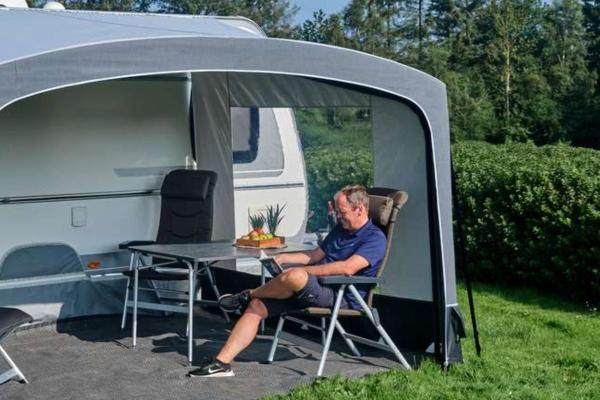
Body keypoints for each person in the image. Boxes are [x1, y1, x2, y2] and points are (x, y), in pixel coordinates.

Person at [188, 185, 386, 377]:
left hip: (339, 294)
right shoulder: (340, 229)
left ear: (359, 209)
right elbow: (314, 255)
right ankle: (222, 363)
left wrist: (301, 272)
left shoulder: (375, 238)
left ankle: (247, 294)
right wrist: (283, 258)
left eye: (342, 212)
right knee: (257, 306)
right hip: (313, 288)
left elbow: (347, 268)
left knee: (294, 276)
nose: (338, 216)